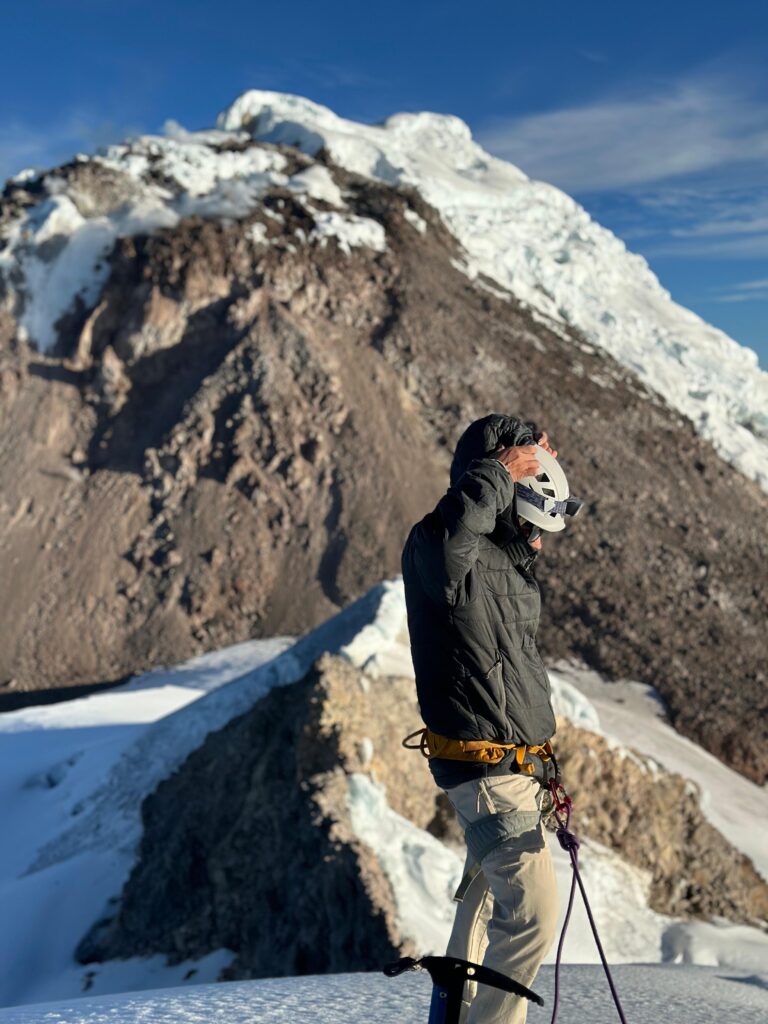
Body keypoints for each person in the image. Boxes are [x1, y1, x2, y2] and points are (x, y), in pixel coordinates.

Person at [401, 413, 581, 1024]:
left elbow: (500, 603)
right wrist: (501, 475)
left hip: (516, 767)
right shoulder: (435, 542)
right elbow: (458, 544)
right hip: (486, 770)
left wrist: (538, 487)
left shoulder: (500, 552)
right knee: (531, 918)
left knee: (480, 916)